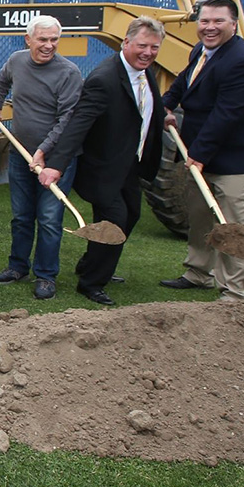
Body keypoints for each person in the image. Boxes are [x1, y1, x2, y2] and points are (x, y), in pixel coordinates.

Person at [40, 17, 165, 305]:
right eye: (142, 46)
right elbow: (79, 123)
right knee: (115, 220)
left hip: (129, 164)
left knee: (132, 214)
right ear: (126, 42)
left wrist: (162, 115)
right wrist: (56, 165)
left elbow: (141, 109)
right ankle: (92, 283)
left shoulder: (146, 72)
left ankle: (92, 262)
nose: (148, 52)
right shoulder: (104, 78)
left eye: (154, 47)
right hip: (104, 169)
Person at [159, 0, 244, 300]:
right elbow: (184, 83)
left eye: (218, 21)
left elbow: (227, 114)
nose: (210, 27)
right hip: (201, 156)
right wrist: (164, 105)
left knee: (234, 228)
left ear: (233, 24)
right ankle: (199, 273)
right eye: (204, 21)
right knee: (201, 220)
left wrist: (199, 155)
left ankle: (233, 291)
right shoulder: (201, 51)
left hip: (236, 162)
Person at [0, 15, 83, 300]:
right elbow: (2, 81)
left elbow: (68, 119)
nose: (49, 45)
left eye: (54, 39)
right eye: (42, 39)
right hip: (20, 154)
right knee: (21, 216)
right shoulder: (17, 61)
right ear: (28, 39)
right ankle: (18, 267)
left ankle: (46, 275)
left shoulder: (69, 72)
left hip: (56, 160)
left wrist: (42, 152)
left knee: (50, 218)